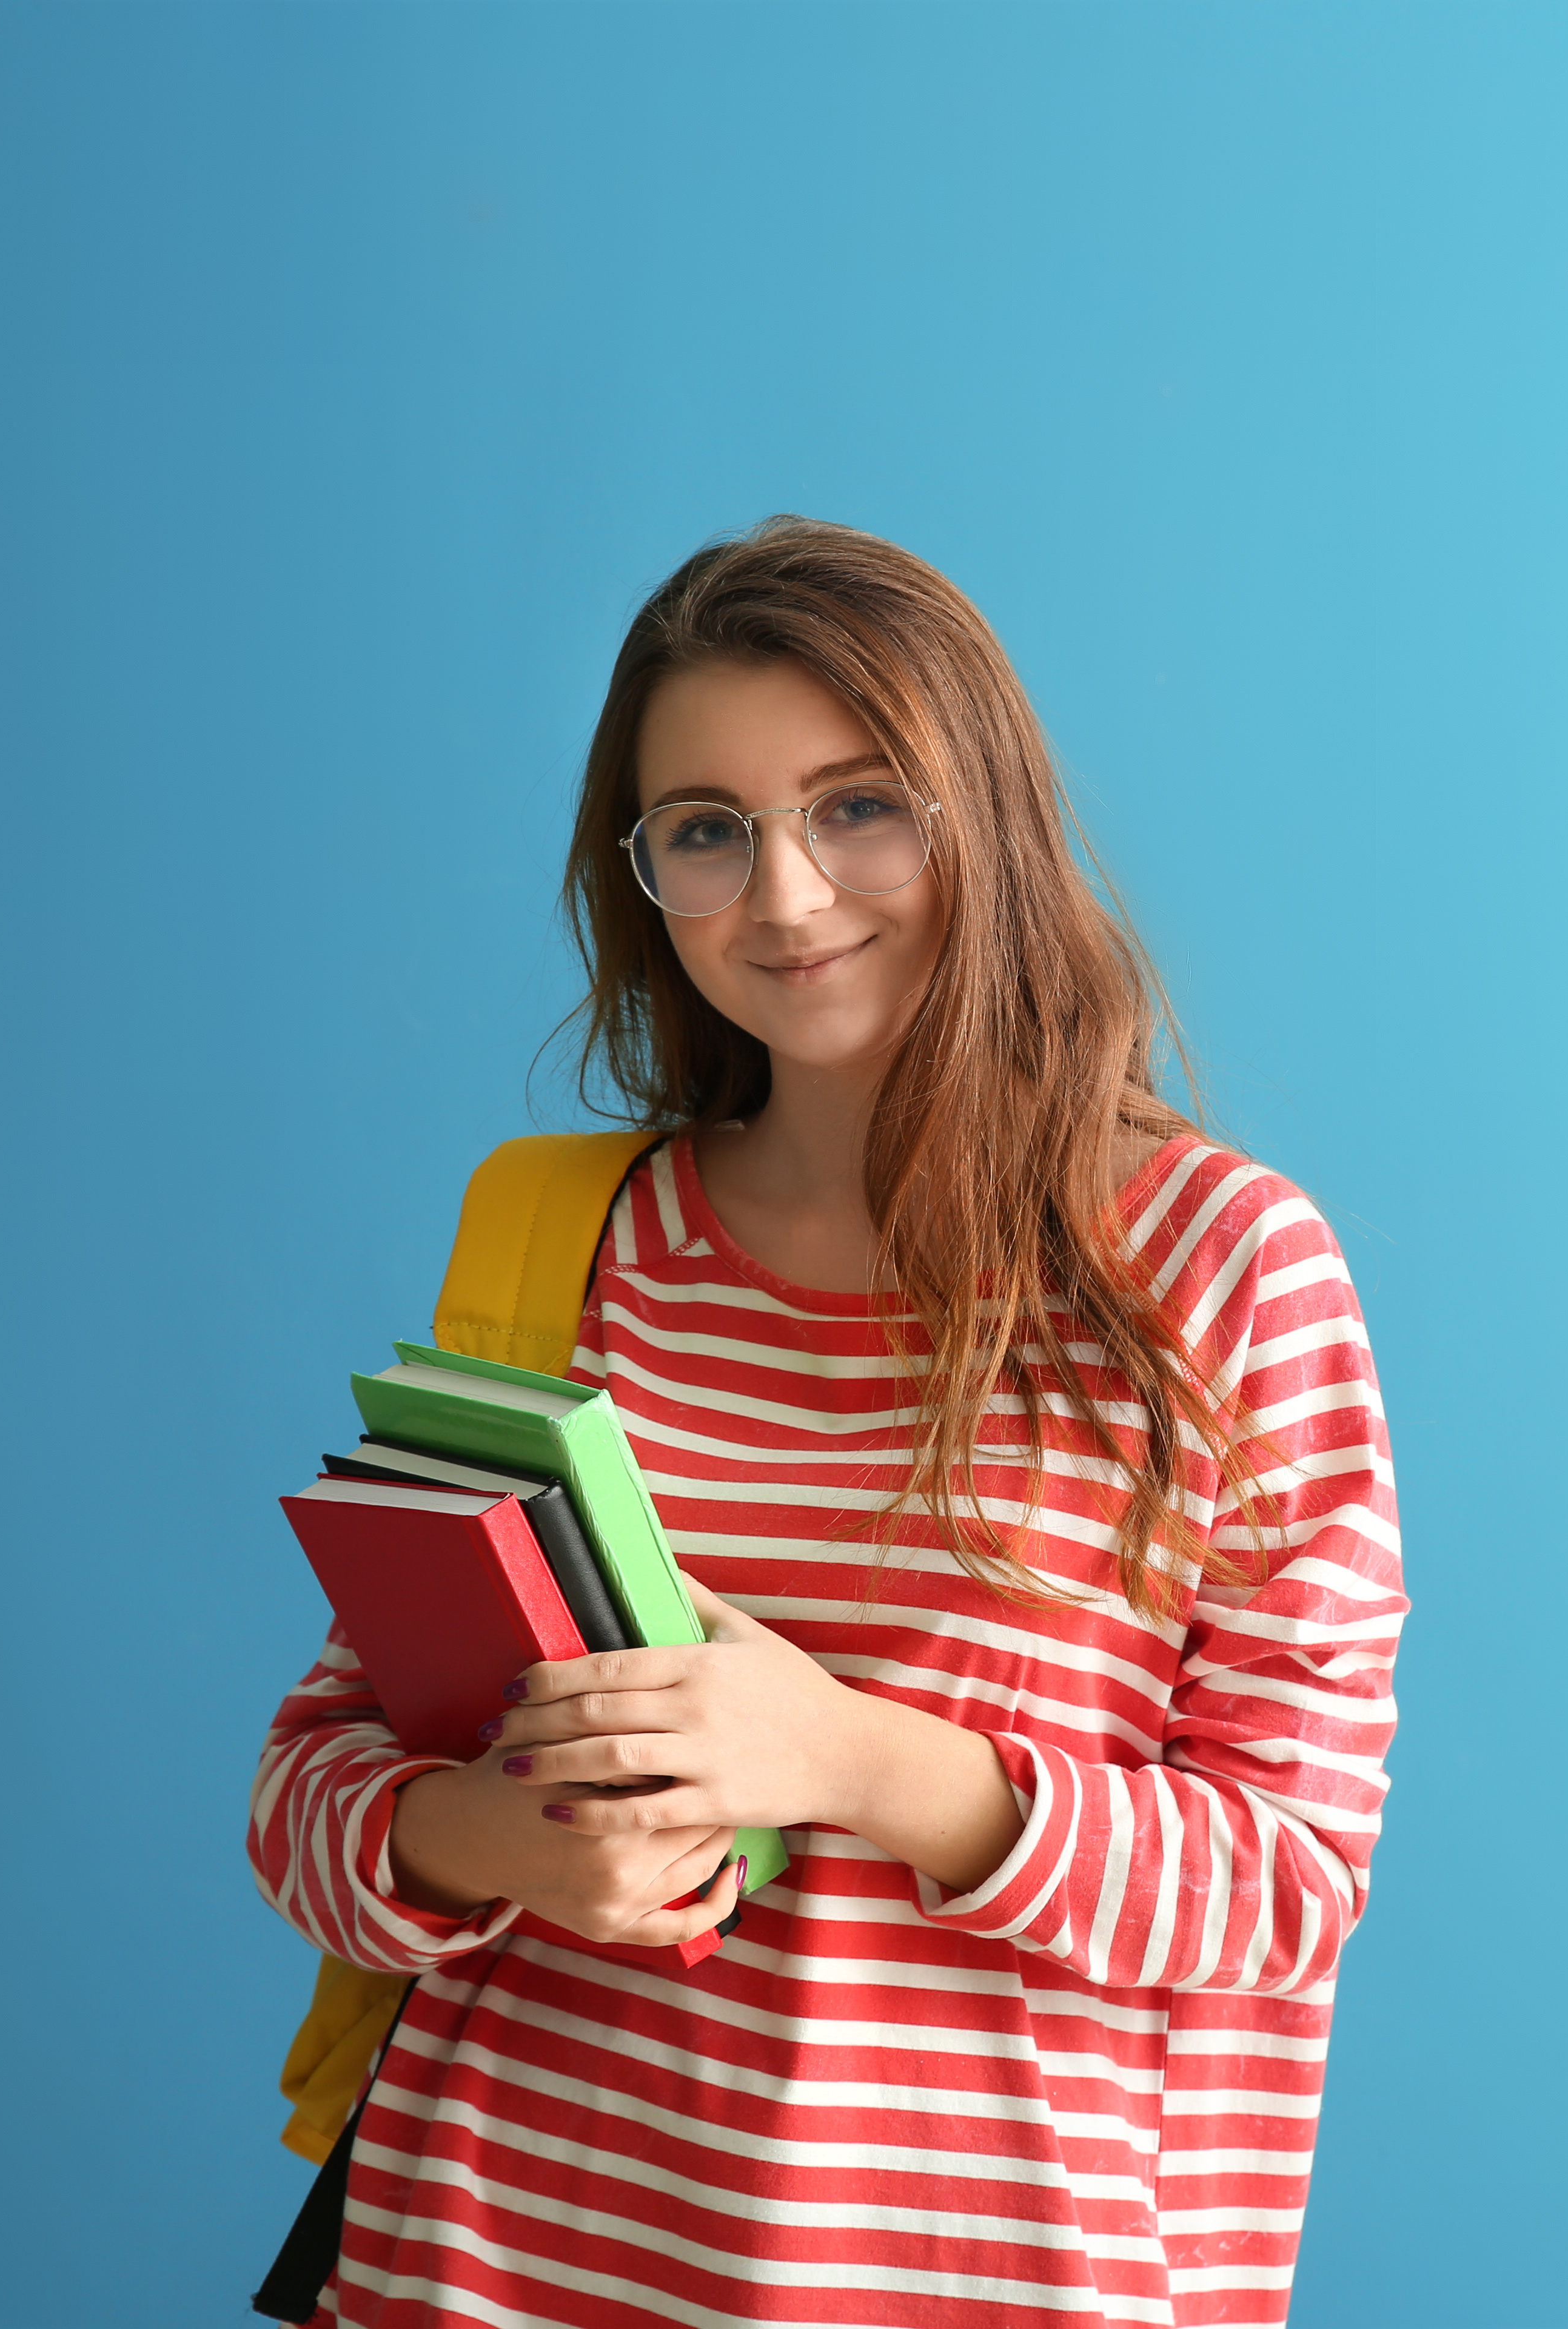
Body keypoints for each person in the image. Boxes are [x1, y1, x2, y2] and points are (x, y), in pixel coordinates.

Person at [247, 517, 1405, 2328]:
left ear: (987, 819)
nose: (785, 897)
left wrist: (850, 1759)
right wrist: (493, 1836)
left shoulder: (1222, 1270)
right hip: (478, 2266)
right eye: (706, 829)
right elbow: (313, 1785)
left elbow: (1283, 1884)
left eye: (861, 807)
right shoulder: (566, 1240)